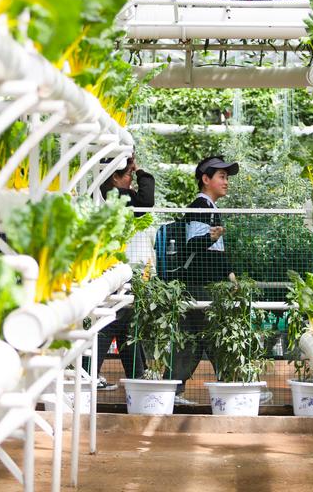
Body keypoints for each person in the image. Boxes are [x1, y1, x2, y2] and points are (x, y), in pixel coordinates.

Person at [169, 156, 239, 403]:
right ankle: (232, 388)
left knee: (196, 338)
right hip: (200, 287)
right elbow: (193, 244)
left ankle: (174, 390)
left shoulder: (211, 207)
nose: (226, 182)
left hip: (206, 286)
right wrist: (210, 238)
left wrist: (230, 277)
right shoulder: (200, 205)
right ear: (205, 179)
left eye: (227, 177)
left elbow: (215, 252)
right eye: (221, 176)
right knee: (212, 336)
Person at [90, 156, 154, 389]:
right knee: (114, 321)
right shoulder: (120, 196)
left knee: (125, 322)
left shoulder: (96, 196)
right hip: (116, 271)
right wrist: (143, 172)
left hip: (104, 268)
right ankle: (89, 374)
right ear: (115, 178)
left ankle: (138, 376)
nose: (133, 180)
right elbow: (147, 201)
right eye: (128, 174)